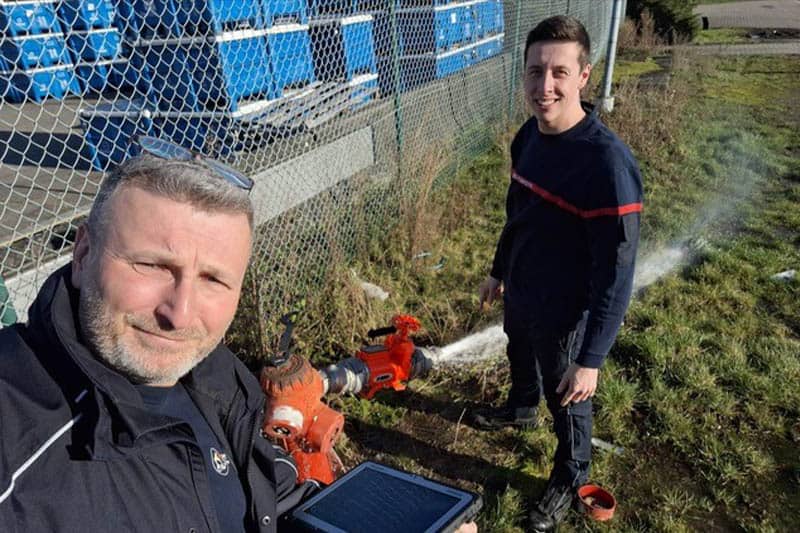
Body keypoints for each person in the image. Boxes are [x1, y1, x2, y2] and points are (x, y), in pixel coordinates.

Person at [0, 139, 319, 532]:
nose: (180, 315)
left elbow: (264, 495)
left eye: (214, 279)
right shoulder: (15, 441)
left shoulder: (218, 379)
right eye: (152, 265)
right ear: (82, 256)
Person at [473, 15, 642, 532]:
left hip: (567, 309)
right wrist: (499, 271)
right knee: (516, 347)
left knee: (566, 395)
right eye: (534, 71)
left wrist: (590, 359)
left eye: (559, 73)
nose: (544, 86)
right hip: (523, 287)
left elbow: (617, 272)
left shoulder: (606, 165)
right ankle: (520, 407)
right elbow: (517, 212)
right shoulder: (528, 136)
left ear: (584, 76)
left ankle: (570, 477)